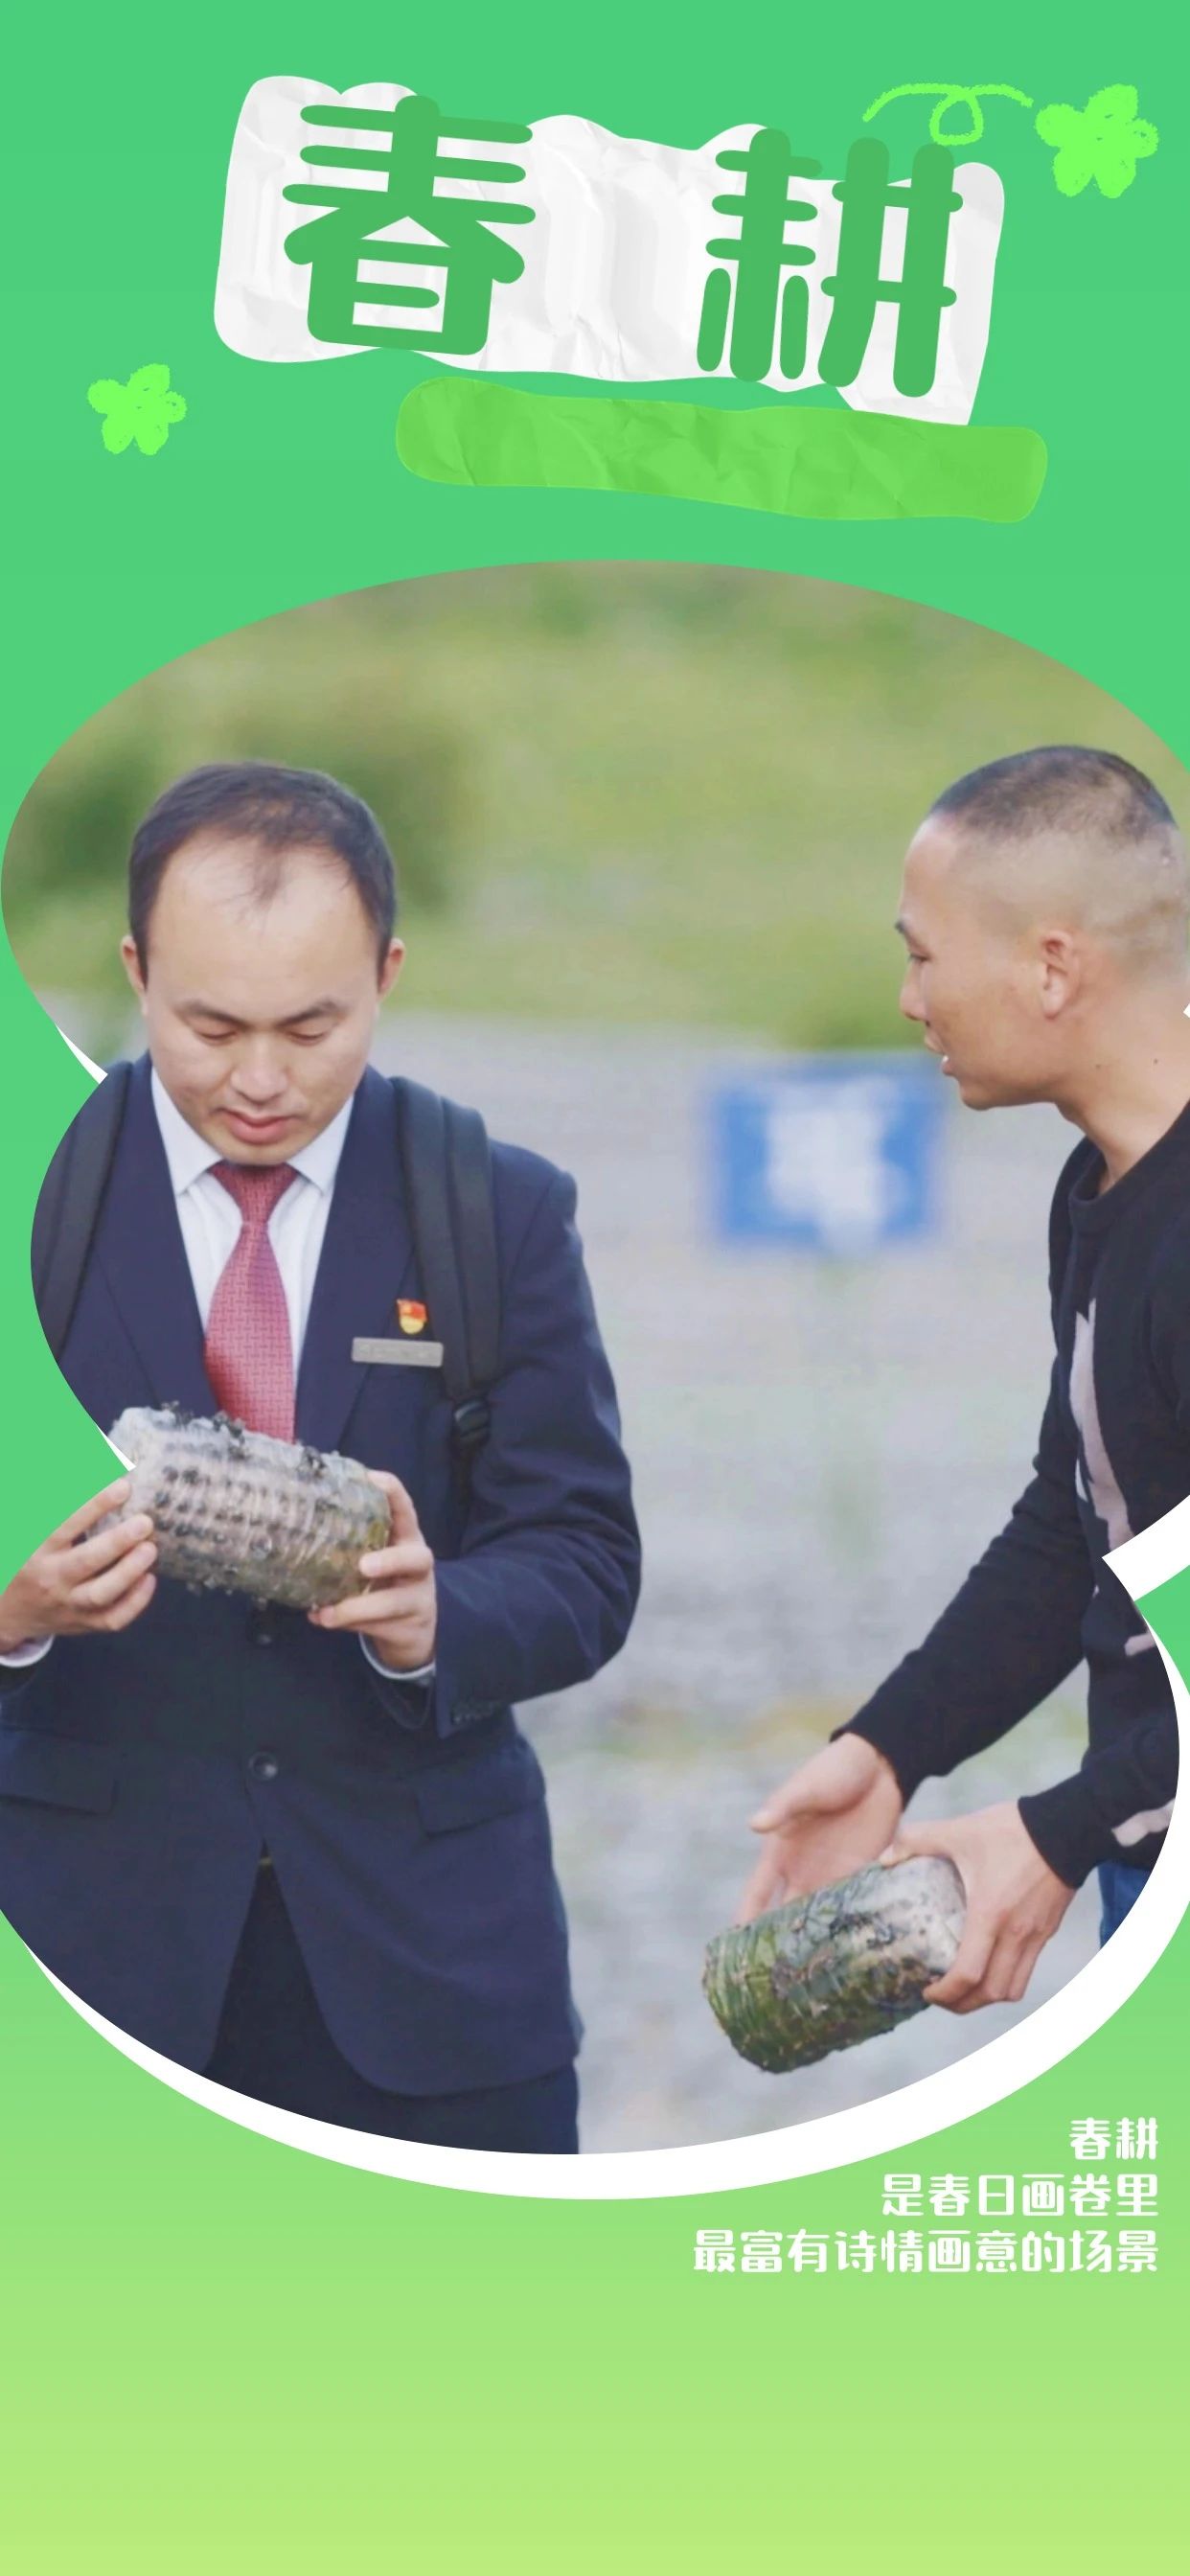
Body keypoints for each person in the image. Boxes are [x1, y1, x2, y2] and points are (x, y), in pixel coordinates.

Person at [0, 761, 641, 2151]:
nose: (259, 1079)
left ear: (388, 976)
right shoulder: (29, 1199)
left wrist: (437, 1616)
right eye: (209, 1025)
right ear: (134, 971)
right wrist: (12, 1610)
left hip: (430, 1976)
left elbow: (586, 1561)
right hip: (85, 1953)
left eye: (311, 1026)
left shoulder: (493, 1210)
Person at [740, 746, 1185, 2012]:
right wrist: (893, 1746)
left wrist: (1062, 1827)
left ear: (1051, 967)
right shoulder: (1099, 1185)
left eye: (923, 956)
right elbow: (1075, 1522)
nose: (906, 999)